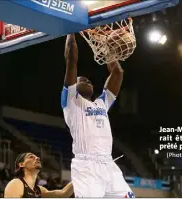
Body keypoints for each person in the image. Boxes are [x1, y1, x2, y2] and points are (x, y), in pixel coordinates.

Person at [61, 34, 134, 198]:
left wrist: (105, 49)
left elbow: (117, 73)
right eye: (81, 79)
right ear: (73, 85)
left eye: (89, 80)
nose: (86, 80)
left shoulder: (102, 102)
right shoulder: (71, 102)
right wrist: (71, 32)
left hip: (108, 164)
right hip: (86, 166)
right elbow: (71, 61)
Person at [4, 153, 74, 198]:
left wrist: (79, 177)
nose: (37, 158)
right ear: (21, 164)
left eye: (37, 157)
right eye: (31, 157)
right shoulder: (16, 183)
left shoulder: (39, 190)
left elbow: (63, 194)